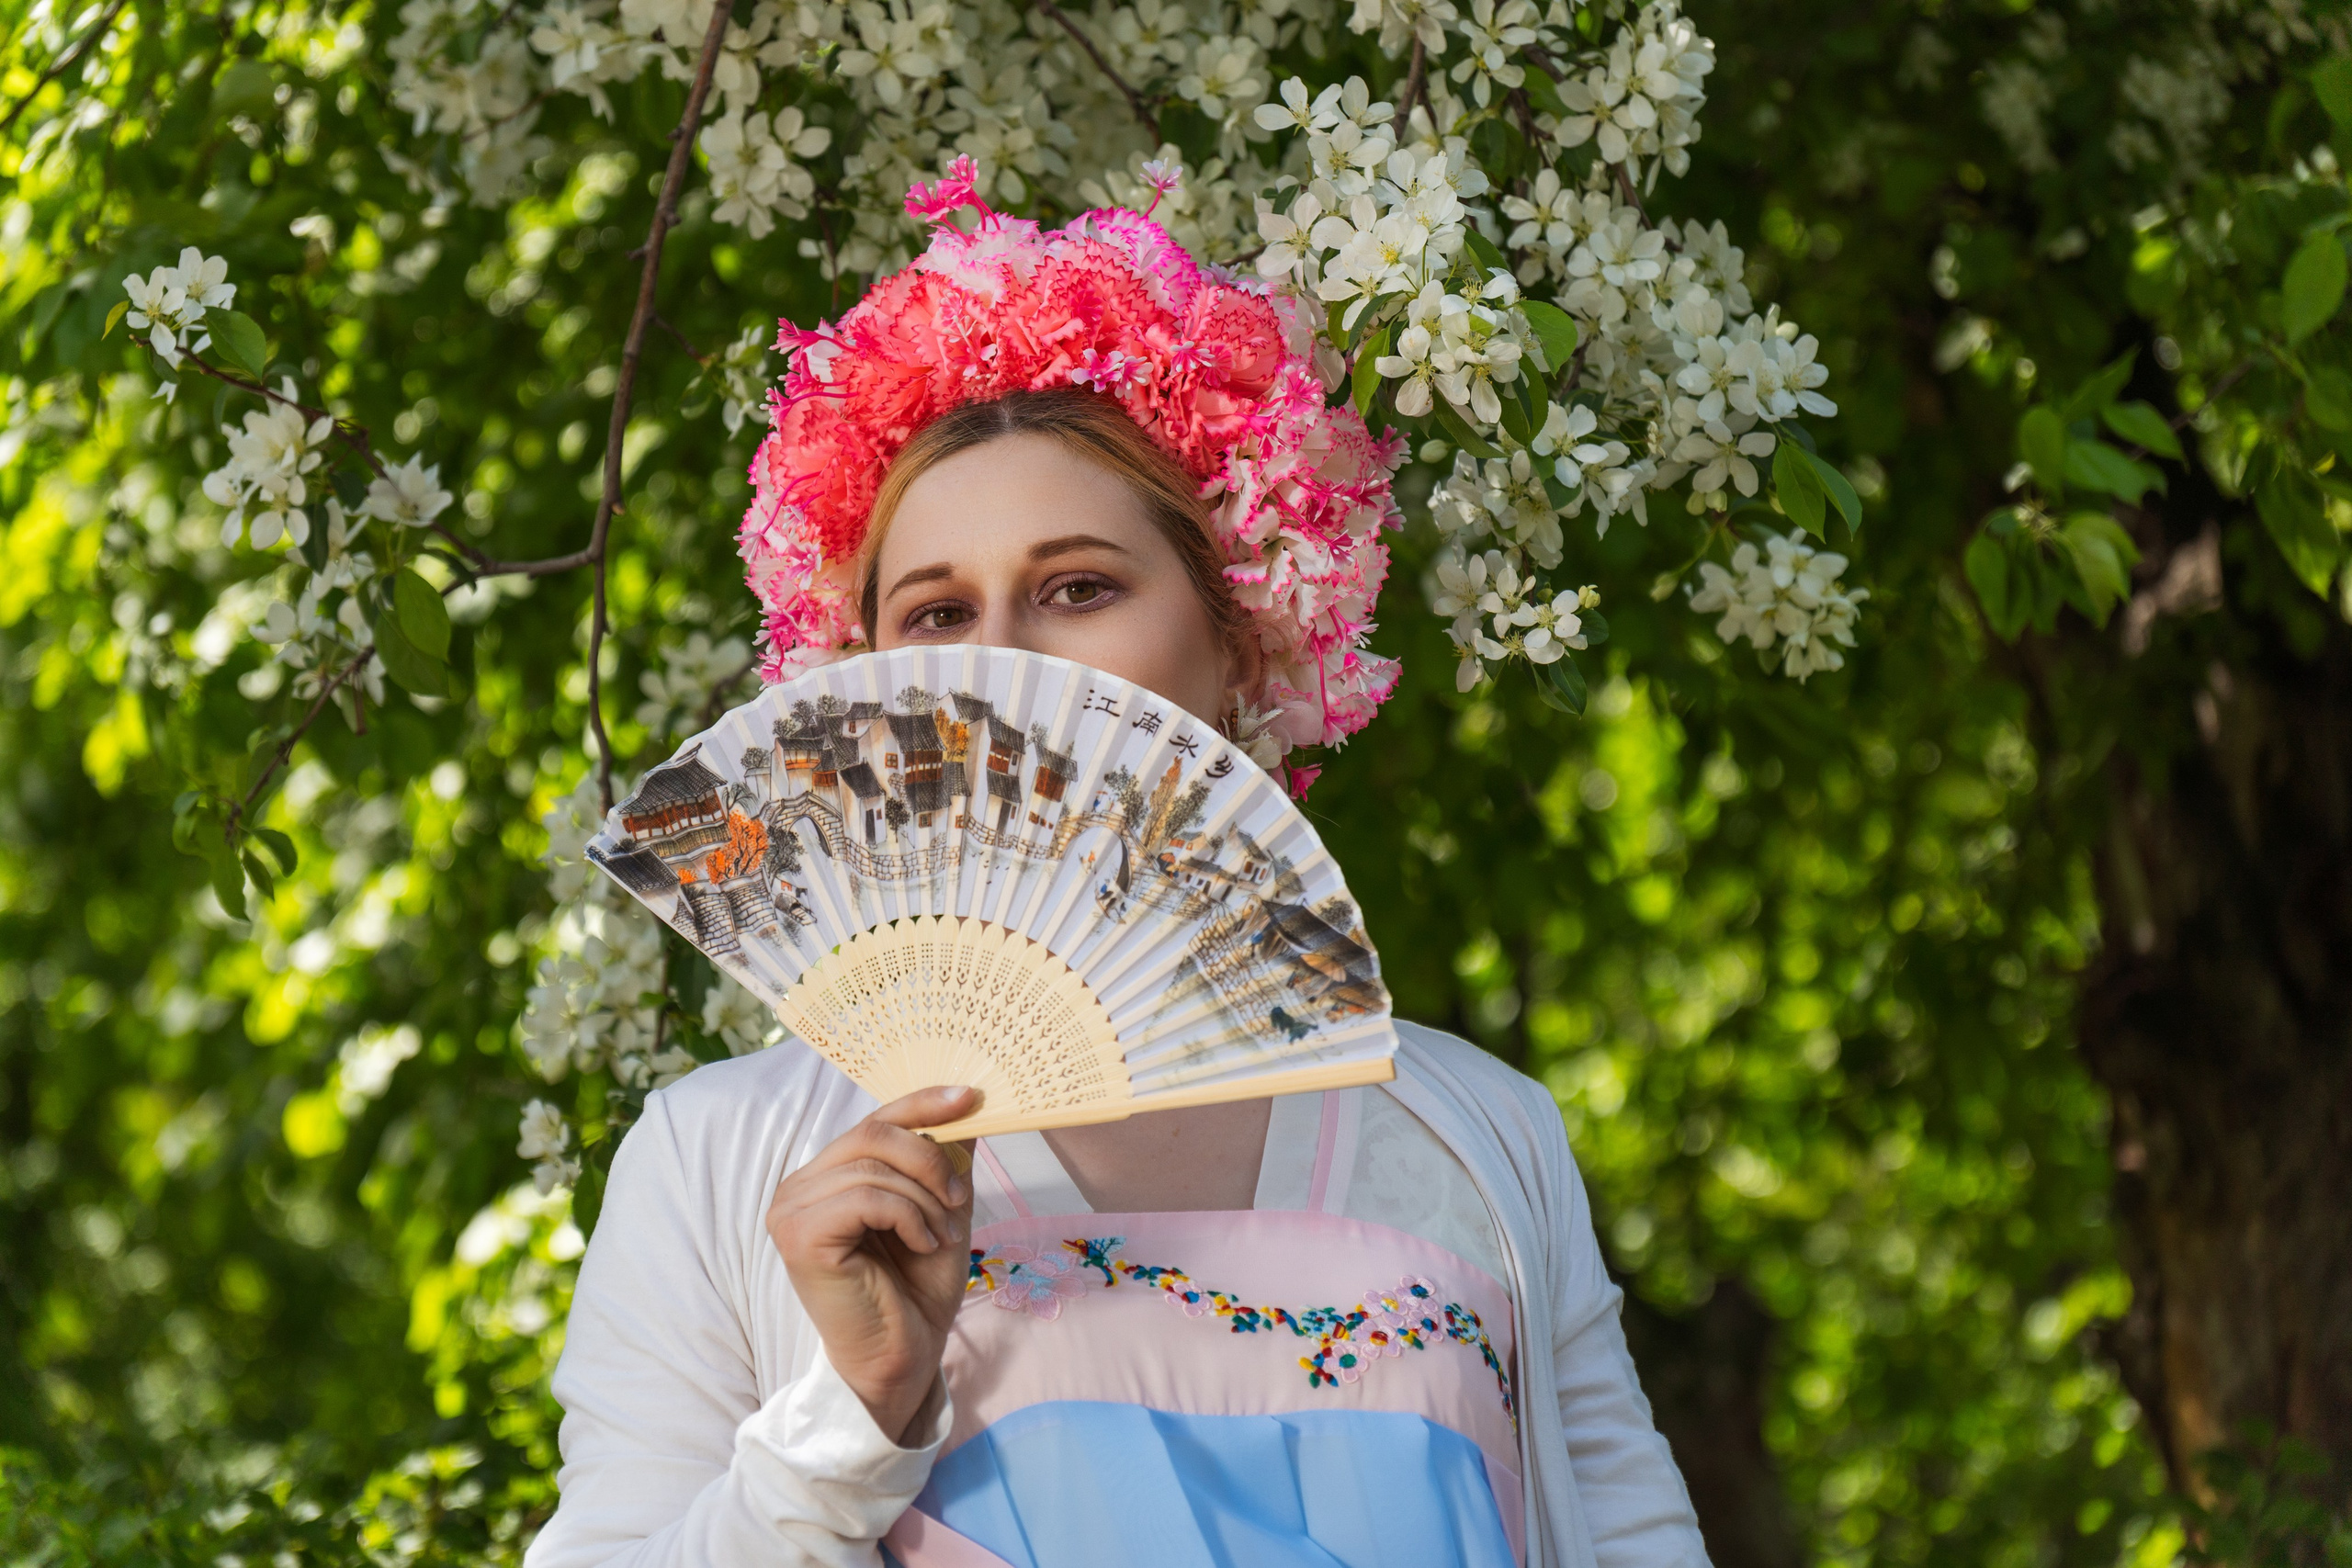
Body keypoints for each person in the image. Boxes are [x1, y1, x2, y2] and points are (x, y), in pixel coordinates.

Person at [526, 160, 1709, 1568]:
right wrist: (852, 1415)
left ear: (1243, 644)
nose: (1007, 661)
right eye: (938, 611)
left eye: (1079, 588)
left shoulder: (1482, 1138)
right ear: (862, 691)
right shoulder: (726, 1163)